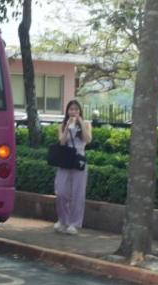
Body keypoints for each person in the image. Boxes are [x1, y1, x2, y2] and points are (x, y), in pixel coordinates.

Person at [54, 99, 92, 235]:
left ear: (80, 111)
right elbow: (62, 142)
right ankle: (62, 220)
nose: (73, 112)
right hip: (65, 161)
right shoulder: (63, 125)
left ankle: (74, 223)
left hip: (79, 161)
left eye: (76, 109)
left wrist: (80, 122)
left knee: (78, 193)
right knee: (61, 191)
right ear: (67, 111)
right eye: (71, 109)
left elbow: (88, 140)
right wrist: (67, 128)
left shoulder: (86, 124)